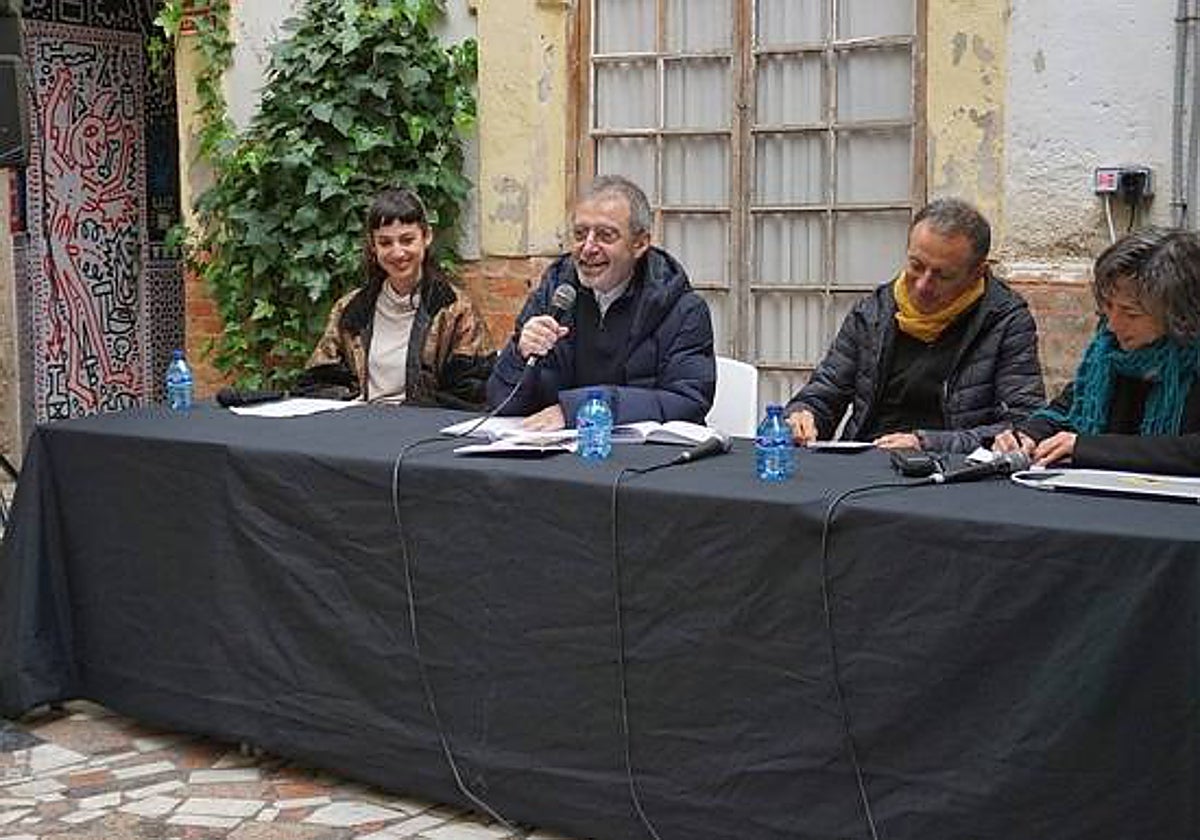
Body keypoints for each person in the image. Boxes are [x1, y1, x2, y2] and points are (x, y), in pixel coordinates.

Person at [784, 198, 1045, 452]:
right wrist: (804, 416)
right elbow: (826, 390)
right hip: (866, 459)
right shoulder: (873, 311)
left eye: (942, 276)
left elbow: (1023, 425)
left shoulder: (1006, 320)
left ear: (976, 273)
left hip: (950, 475)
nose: (923, 285)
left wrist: (928, 443)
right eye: (916, 266)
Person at [486, 175, 716, 429]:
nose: (588, 248)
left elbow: (689, 401)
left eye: (605, 236)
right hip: (556, 458)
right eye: (580, 234)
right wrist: (520, 354)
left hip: (646, 459)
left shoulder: (682, 309)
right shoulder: (553, 296)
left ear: (639, 243)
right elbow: (502, 404)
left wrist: (577, 410)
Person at [994, 228, 1200, 473]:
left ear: (1179, 314)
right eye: (1108, 306)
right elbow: (1067, 409)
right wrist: (1028, 435)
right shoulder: (1108, 353)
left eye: (1131, 313)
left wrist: (1090, 448)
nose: (1112, 324)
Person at [301, 187, 494, 408]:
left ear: (426, 237)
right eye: (385, 243)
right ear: (373, 246)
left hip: (423, 431)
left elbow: (474, 391)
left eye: (407, 240)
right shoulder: (350, 309)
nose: (397, 252)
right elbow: (316, 382)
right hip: (359, 426)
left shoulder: (456, 310)